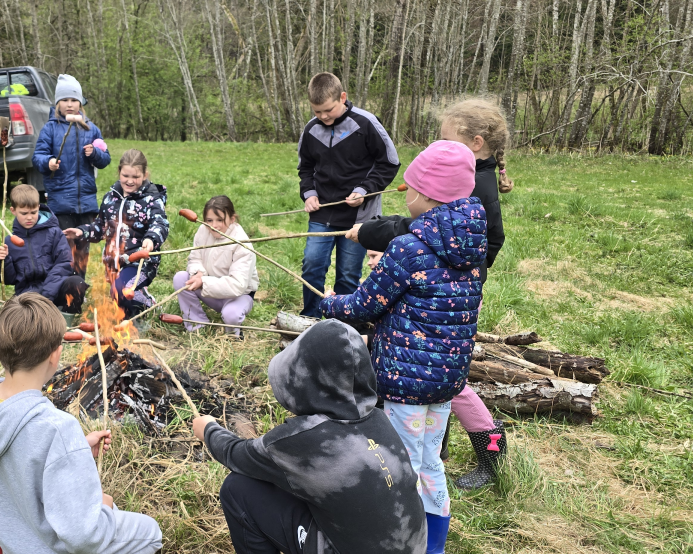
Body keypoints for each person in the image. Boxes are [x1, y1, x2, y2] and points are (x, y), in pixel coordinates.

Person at [318, 140, 487, 554]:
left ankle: (397, 542)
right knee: (430, 463)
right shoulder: (471, 245)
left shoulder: (409, 247)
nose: (405, 195)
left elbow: (364, 305)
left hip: (407, 382)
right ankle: (435, 546)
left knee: (401, 467)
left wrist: (328, 303)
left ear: (426, 195)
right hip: (446, 381)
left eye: (410, 188)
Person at [347, 98, 514, 490]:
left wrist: (445, 273)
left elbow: (479, 239)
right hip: (449, 289)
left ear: (475, 143)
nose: (439, 146)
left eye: (446, 139)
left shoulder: (476, 185)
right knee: (436, 378)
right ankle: (435, 447)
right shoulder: (475, 177)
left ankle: (490, 447)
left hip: (448, 294)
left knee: (445, 380)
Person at [191, 320, 426, 554]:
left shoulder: (305, 440)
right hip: (413, 547)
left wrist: (208, 429)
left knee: (237, 488)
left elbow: (236, 454)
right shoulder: (379, 419)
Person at [0, 293, 163, 554]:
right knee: (150, 532)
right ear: (56, 355)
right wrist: (104, 509)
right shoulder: (56, 428)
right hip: (45, 547)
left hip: (13, 532)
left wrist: (74, 450)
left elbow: (23, 460)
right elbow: (84, 537)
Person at [297, 72, 399, 317]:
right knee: (312, 266)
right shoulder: (311, 129)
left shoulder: (366, 123)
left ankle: (343, 324)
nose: (323, 116)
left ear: (342, 97)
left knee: (348, 274)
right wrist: (309, 194)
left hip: (359, 216)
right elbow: (305, 168)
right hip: (323, 213)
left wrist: (364, 190)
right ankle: (310, 318)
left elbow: (389, 162)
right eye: (317, 111)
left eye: (328, 110)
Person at [63, 149, 169, 318]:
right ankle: (130, 311)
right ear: (119, 172)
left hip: (140, 262)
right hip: (114, 263)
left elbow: (160, 223)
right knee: (118, 295)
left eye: (135, 177)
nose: (130, 181)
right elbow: (100, 228)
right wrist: (82, 231)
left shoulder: (151, 200)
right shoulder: (110, 198)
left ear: (145, 175)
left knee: (121, 290)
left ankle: (147, 304)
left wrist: (151, 238)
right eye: (126, 175)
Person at [31, 74, 112, 275]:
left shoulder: (91, 129)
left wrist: (95, 154)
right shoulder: (50, 129)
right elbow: (37, 157)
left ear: (80, 103)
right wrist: (48, 162)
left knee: (83, 248)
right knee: (65, 247)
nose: (69, 104)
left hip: (86, 201)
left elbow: (105, 159)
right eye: (65, 100)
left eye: (74, 100)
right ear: (57, 103)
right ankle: (63, 282)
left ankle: (78, 284)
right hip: (61, 201)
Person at [0, 184, 88, 320]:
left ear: (39, 207)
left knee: (76, 282)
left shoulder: (54, 233)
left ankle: (65, 317)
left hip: (54, 288)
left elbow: (65, 263)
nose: (29, 217)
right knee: (22, 317)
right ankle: (43, 316)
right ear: (13, 210)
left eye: (33, 212)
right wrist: (2, 261)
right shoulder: (10, 241)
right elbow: (9, 279)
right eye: (24, 213)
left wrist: (46, 295)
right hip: (29, 296)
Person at [172, 195, 259, 338]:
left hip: (237, 296)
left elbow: (238, 285)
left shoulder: (242, 244)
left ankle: (233, 335)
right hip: (210, 290)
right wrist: (198, 273)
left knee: (231, 314)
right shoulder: (203, 230)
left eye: (220, 220)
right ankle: (197, 325)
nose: (214, 225)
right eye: (209, 220)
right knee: (181, 279)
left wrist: (203, 282)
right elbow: (195, 257)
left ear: (232, 219)